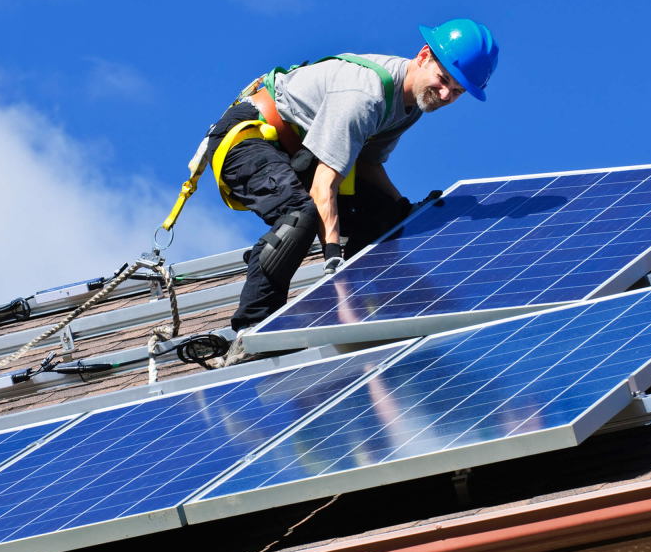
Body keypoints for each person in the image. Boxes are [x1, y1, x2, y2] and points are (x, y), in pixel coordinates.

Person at [198, 19, 499, 364]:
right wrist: (333, 265)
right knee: (302, 215)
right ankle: (252, 332)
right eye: (443, 80)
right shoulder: (365, 96)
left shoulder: (410, 105)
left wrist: (404, 208)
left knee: (388, 215)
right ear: (424, 55)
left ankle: (374, 303)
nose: (445, 95)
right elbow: (322, 188)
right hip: (247, 138)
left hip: (298, 152)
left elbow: (368, 165)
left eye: (457, 91)